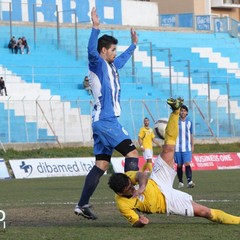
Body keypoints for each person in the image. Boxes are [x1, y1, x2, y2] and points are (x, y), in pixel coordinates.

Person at [108, 97, 240, 227]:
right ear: (120, 193)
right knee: (205, 212)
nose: (132, 188)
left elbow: (142, 175)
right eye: (129, 189)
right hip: (168, 202)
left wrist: (141, 187)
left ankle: (175, 111)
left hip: (157, 181)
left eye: (131, 185)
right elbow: (135, 221)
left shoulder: (128, 178)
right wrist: (141, 222)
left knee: (168, 149)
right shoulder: (122, 204)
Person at [74, 7, 139, 220]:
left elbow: (122, 60)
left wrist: (134, 45)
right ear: (103, 51)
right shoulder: (97, 64)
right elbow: (91, 50)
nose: (114, 54)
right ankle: (131, 198)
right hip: (106, 120)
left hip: (101, 121)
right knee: (132, 154)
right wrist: (95, 28)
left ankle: (82, 204)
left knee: (101, 165)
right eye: (112, 50)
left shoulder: (112, 66)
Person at [174, 104, 195, 188]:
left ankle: (189, 181)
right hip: (177, 148)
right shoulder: (175, 122)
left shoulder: (189, 123)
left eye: (184, 111)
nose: (183, 112)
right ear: (179, 112)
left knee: (187, 163)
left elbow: (191, 134)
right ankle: (180, 182)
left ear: (187, 113)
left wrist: (192, 145)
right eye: (181, 110)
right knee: (179, 165)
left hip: (186, 147)